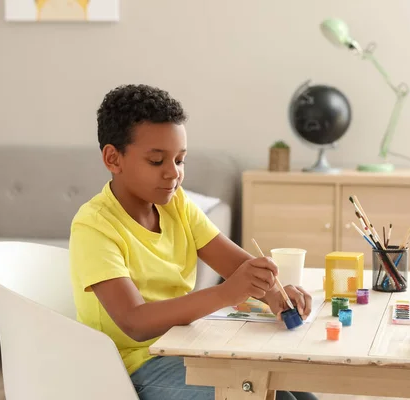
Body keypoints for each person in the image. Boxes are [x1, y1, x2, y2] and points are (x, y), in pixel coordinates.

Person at [68, 84, 318, 400]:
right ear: (113, 158)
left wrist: (274, 293)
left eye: (180, 160)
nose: (173, 174)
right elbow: (136, 323)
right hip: (133, 370)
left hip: (185, 347)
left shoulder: (177, 205)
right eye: (157, 161)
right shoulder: (94, 226)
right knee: (264, 395)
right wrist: (228, 292)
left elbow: (237, 265)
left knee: (297, 392)